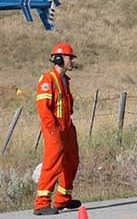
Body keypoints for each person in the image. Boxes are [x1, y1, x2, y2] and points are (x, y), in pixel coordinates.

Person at [33, 42, 81, 216]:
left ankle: (63, 199)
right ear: (59, 59)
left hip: (67, 126)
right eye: (70, 58)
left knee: (72, 161)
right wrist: (53, 130)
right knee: (52, 164)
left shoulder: (65, 80)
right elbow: (43, 107)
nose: (72, 61)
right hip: (54, 128)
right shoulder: (48, 79)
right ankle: (41, 204)